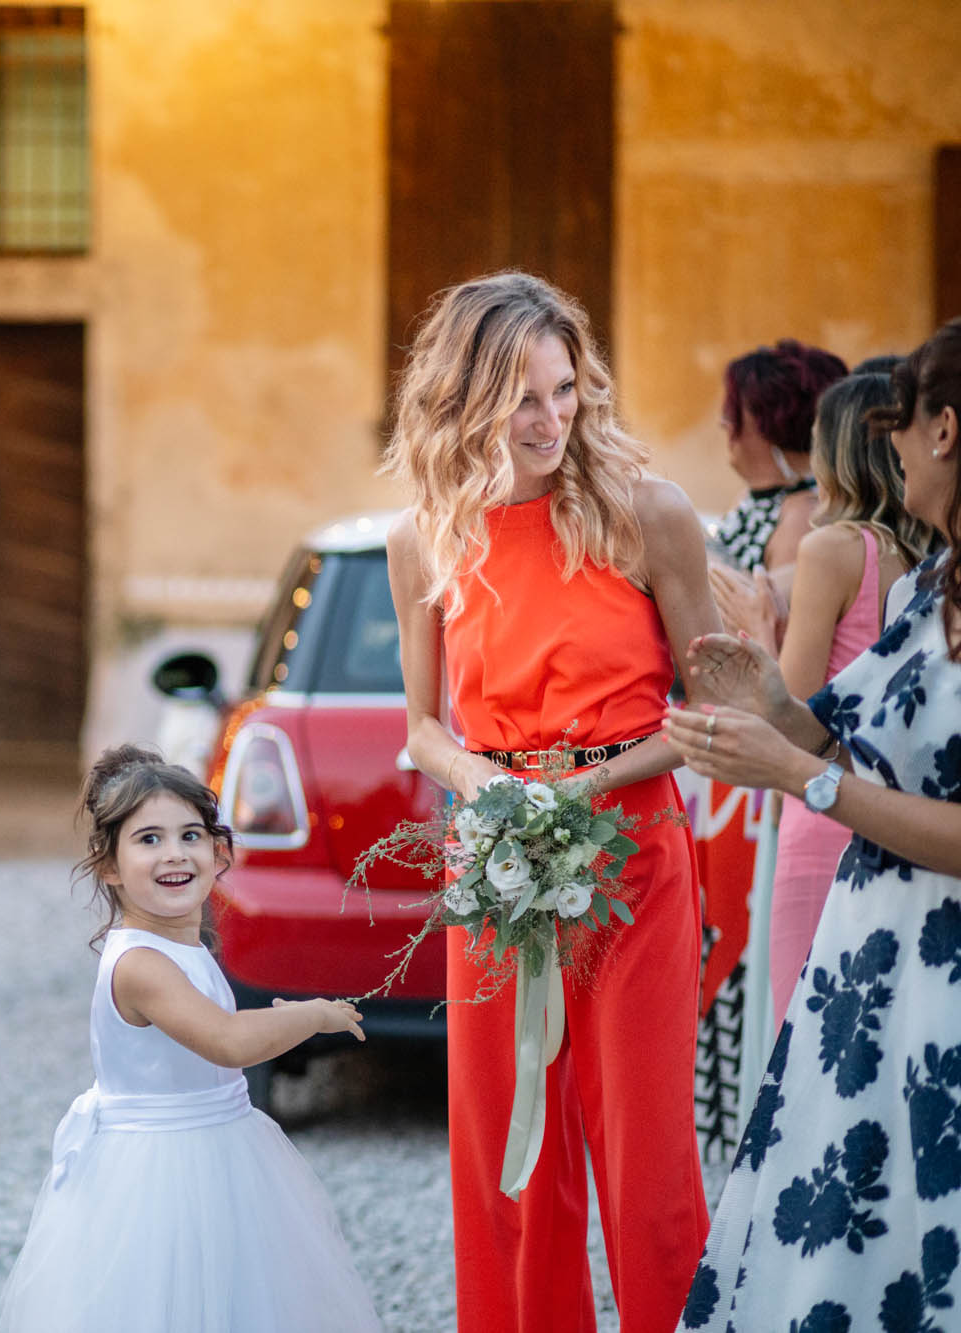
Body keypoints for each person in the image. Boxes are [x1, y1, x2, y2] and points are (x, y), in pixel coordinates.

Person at [383, 272, 721, 1333]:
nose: (548, 419)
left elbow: (715, 718)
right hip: (496, 872)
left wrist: (591, 782)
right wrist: (486, 786)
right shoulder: (425, 538)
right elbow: (423, 731)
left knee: (642, 1153)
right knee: (507, 1156)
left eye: (563, 389)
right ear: (464, 399)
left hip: (633, 860)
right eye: (519, 397)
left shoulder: (647, 515)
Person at [666, 317, 961, 1331]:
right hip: (866, 980)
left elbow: (842, 784)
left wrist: (798, 773)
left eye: (898, 423)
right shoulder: (927, 586)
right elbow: (843, 741)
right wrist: (770, 703)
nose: (884, 446)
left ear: (944, 432)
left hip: (943, 984)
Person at [0, 745, 379, 1333]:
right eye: (148, 839)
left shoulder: (182, 944)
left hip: (220, 1148)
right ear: (110, 867)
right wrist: (310, 1015)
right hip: (156, 1172)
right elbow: (227, 1042)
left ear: (219, 852)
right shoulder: (141, 963)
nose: (174, 853)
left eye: (189, 836)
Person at [754, 374, 934, 1023]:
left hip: (824, 809)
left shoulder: (832, 549)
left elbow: (793, 709)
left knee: (804, 1041)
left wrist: (753, 626)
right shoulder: (928, 554)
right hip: (904, 817)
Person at [707, 339, 850, 632]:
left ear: (769, 423)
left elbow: (765, 625)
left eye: (733, 410)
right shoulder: (754, 498)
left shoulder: (800, 519)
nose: (724, 422)